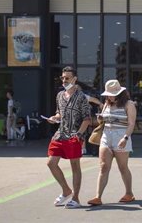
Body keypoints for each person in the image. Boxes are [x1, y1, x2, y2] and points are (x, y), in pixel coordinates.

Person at [45, 66, 91, 209]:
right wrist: (54, 118)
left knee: (74, 167)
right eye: (62, 78)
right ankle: (66, 190)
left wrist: (78, 135)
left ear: (74, 79)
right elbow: (60, 114)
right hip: (60, 134)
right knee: (51, 163)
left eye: (67, 78)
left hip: (74, 136)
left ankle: (75, 198)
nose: (64, 80)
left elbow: (87, 119)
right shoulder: (59, 95)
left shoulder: (81, 97)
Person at [87, 79, 137, 206]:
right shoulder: (106, 103)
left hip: (121, 137)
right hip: (106, 137)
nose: (110, 96)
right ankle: (98, 197)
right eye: (108, 94)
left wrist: (125, 138)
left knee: (123, 167)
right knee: (103, 167)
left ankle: (129, 193)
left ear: (120, 93)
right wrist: (100, 119)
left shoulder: (129, 104)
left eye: (113, 94)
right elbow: (102, 122)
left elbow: (131, 124)